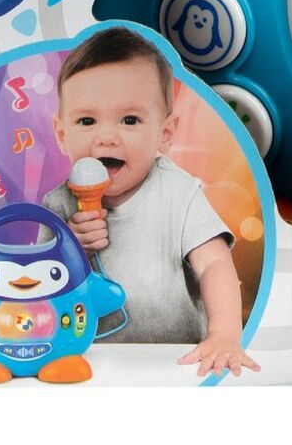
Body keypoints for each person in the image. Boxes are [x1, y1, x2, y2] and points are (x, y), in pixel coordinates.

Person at [43, 25, 259, 378]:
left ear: (165, 134)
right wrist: (69, 249)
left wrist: (223, 334)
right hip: (87, 362)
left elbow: (213, 265)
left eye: (129, 120)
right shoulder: (57, 206)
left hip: (178, 361)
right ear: (62, 135)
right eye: (87, 120)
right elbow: (36, 288)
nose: (106, 137)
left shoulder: (180, 193)